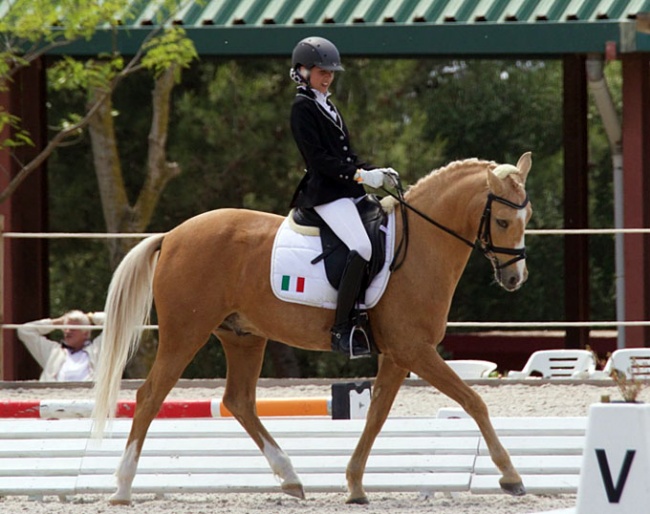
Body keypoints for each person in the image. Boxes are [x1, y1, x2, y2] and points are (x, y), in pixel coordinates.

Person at [288, 36, 399, 359]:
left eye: (331, 72)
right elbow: (319, 160)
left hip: (348, 191)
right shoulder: (302, 108)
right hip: (325, 194)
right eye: (322, 72)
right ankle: (343, 327)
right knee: (361, 246)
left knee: (384, 234)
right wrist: (361, 176)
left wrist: (375, 171)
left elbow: (346, 155)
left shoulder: (328, 105)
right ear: (302, 71)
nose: (329, 77)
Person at [16, 310, 105, 382]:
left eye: (73, 329)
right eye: (65, 328)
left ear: (85, 333)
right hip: (54, 399)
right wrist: (57, 322)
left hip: (87, 399)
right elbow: (24, 331)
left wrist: (90, 317)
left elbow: (115, 324)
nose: (67, 331)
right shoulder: (53, 351)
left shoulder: (96, 350)